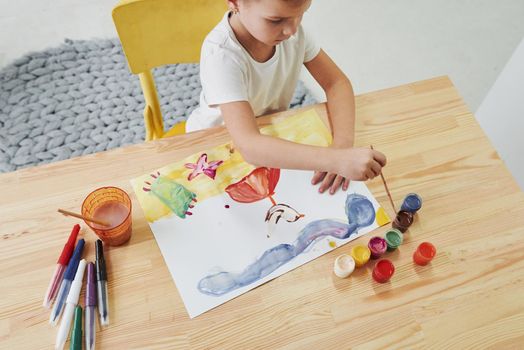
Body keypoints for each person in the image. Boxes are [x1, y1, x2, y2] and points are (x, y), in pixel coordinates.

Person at [186, 0, 386, 194]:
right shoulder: (220, 55)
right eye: (275, 20)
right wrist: (334, 159)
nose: (291, 30)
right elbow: (248, 145)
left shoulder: (294, 33)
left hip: (267, 134)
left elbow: (336, 84)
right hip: (213, 144)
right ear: (235, 2)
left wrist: (342, 146)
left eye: (300, 15)